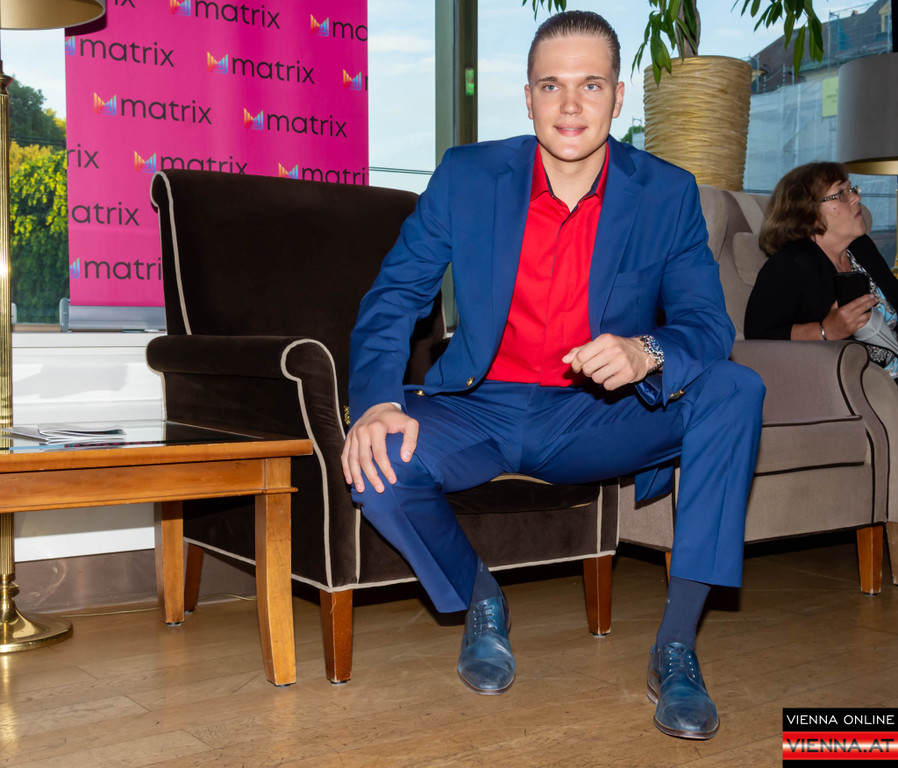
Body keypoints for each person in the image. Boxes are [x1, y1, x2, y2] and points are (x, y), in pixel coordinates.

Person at [341, 10, 764, 741]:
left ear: (619, 96)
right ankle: (481, 600)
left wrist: (646, 351)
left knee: (735, 388)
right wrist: (376, 401)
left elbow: (707, 324)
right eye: (551, 86)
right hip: (480, 407)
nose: (570, 106)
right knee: (376, 461)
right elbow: (394, 298)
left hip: (596, 415)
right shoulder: (468, 176)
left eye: (591, 85)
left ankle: (675, 647)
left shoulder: (666, 193)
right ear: (528, 97)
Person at [745, 162, 898, 377]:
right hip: (862, 382)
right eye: (841, 193)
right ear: (808, 212)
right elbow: (759, 336)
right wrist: (826, 330)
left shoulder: (861, 247)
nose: (856, 198)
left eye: (852, 189)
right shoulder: (789, 265)